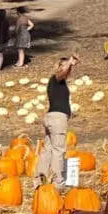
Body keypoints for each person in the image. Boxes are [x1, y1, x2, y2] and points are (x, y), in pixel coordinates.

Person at [35, 55, 77, 184]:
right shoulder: (56, 79)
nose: (68, 68)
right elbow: (62, 72)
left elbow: (65, 72)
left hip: (50, 118)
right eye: (64, 66)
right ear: (59, 67)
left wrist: (71, 64)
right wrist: (69, 61)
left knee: (48, 149)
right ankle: (57, 181)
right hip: (58, 118)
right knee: (59, 150)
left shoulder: (58, 82)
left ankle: (39, 180)